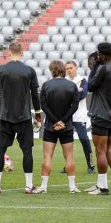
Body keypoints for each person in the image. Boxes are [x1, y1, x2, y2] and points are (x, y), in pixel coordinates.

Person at [0, 41, 42, 194]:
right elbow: (35, 94)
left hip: (5, 116)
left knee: (0, 150)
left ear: (9, 53)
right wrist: (38, 115)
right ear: (22, 53)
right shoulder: (29, 70)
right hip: (24, 116)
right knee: (27, 151)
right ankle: (29, 186)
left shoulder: (1, 70)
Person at [34, 60, 80, 194]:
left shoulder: (46, 85)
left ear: (52, 70)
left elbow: (43, 106)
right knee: (69, 156)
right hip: (67, 126)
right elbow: (75, 106)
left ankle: (43, 186)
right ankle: (72, 187)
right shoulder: (72, 85)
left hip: (50, 126)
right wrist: (63, 121)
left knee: (47, 156)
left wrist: (55, 121)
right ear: (63, 70)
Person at [86, 42, 111, 195]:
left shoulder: (102, 68)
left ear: (102, 55)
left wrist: (95, 66)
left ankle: (102, 187)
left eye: (98, 55)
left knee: (100, 151)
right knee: (108, 149)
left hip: (100, 114)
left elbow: (90, 86)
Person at [66, 60, 95, 174]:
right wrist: (76, 91)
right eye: (67, 68)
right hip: (67, 115)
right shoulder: (64, 80)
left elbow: (83, 95)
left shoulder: (82, 80)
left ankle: (90, 165)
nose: (69, 70)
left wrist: (69, 94)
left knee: (84, 139)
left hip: (79, 115)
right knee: (66, 141)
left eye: (71, 68)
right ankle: (68, 165)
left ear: (76, 68)